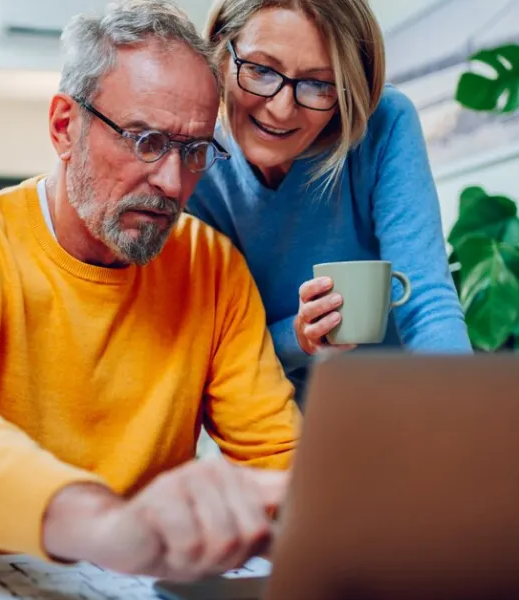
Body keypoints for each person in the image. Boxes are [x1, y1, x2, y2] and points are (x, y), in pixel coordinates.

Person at [0, 0, 301, 584]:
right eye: (145, 140)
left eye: (194, 151)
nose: (171, 181)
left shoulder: (212, 267)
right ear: (65, 126)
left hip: (118, 587)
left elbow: (278, 462)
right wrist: (104, 524)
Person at [186, 0, 472, 401]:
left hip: (401, 404)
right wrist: (298, 336)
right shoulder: (189, 164)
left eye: (318, 84)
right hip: (271, 427)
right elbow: (213, 355)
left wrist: (469, 417)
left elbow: (426, 305)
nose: (281, 109)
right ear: (220, 51)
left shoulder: (384, 124)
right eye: (261, 70)